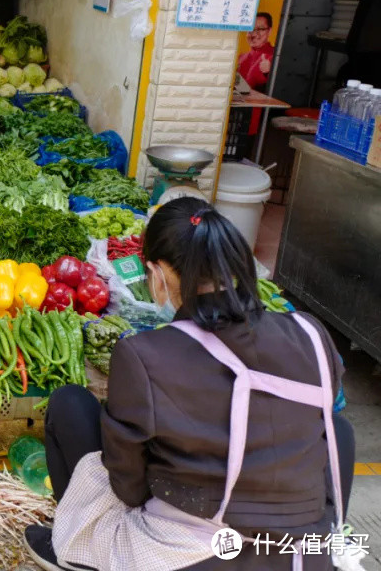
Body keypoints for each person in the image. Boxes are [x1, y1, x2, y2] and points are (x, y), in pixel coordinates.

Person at [23, 197, 356, 571]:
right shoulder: (311, 333)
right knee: (338, 430)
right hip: (300, 553)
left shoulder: (144, 354)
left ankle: (83, 551)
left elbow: (128, 489)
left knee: (70, 404)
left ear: (157, 273)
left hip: (196, 555)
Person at [238, 12, 275, 91]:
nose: (254, 34)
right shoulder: (240, 58)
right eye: (250, 29)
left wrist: (269, 73)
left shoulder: (276, 57)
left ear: (269, 31)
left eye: (260, 29)